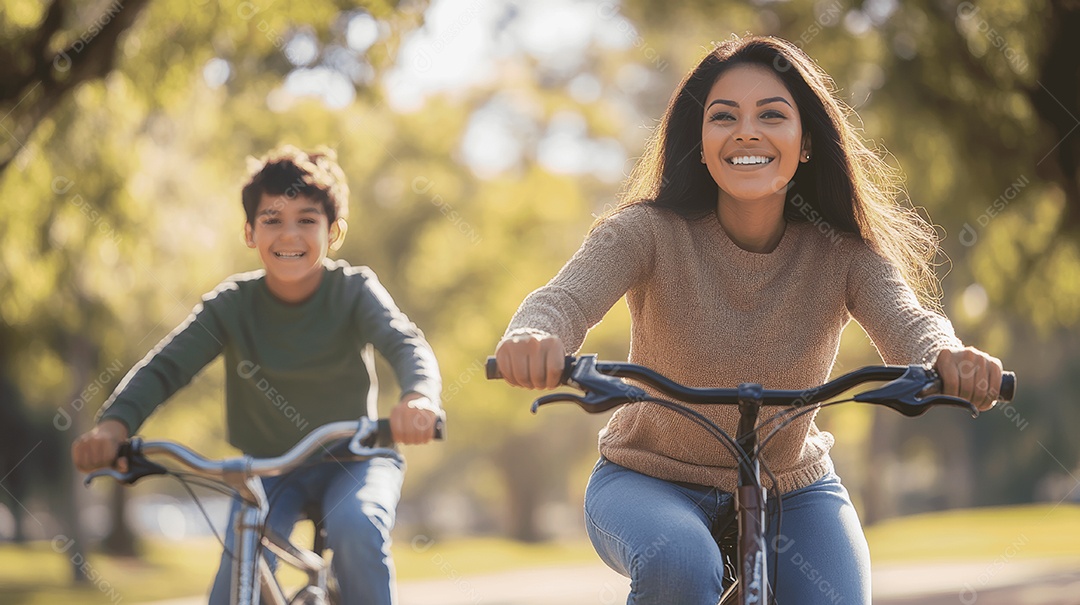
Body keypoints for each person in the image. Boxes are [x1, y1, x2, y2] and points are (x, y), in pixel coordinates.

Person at [493, 36, 1003, 604]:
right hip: (646, 479)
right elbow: (559, 301)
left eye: (772, 115)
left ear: (805, 142)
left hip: (791, 490)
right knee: (680, 560)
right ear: (701, 143)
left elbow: (910, 324)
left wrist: (946, 357)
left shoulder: (844, 252)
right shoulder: (647, 233)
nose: (747, 131)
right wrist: (533, 337)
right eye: (724, 117)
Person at [71, 145, 443, 605]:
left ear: (334, 231)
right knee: (235, 580)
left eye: (307, 219)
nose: (290, 234)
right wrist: (114, 426)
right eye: (272, 219)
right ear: (250, 232)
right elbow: (166, 367)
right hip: (267, 471)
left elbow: (404, 343)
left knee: (357, 528)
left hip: (356, 458)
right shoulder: (231, 305)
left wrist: (419, 397)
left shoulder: (354, 291)